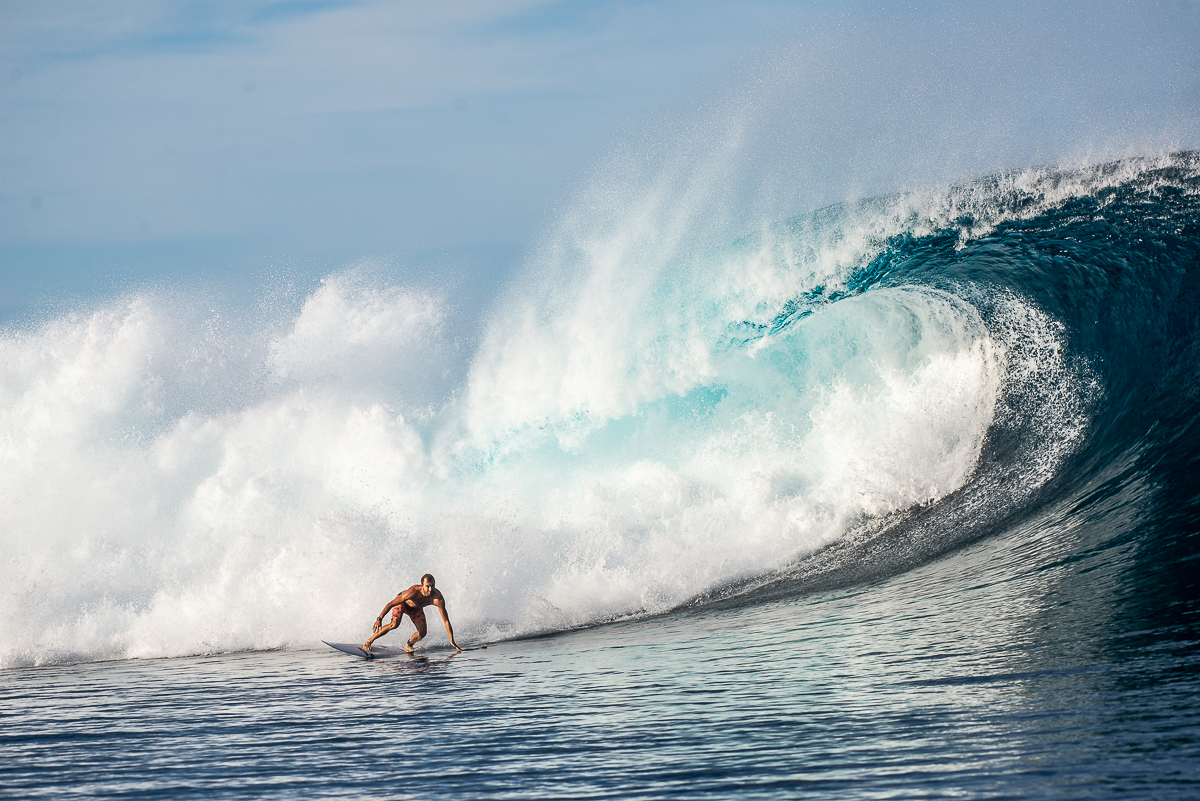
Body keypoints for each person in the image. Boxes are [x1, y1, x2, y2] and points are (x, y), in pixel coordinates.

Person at [363, 573, 462, 653]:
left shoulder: (437, 598)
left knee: (422, 633)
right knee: (395, 624)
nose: (430, 589)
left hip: (416, 609)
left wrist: (452, 640)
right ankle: (369, 641)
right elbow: (390, 604)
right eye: (427, 586)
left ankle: (409, 644)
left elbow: (446, 621)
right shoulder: (412, 592)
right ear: (422, 585)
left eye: (432, 586)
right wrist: (379, 619)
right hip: (402, 603)